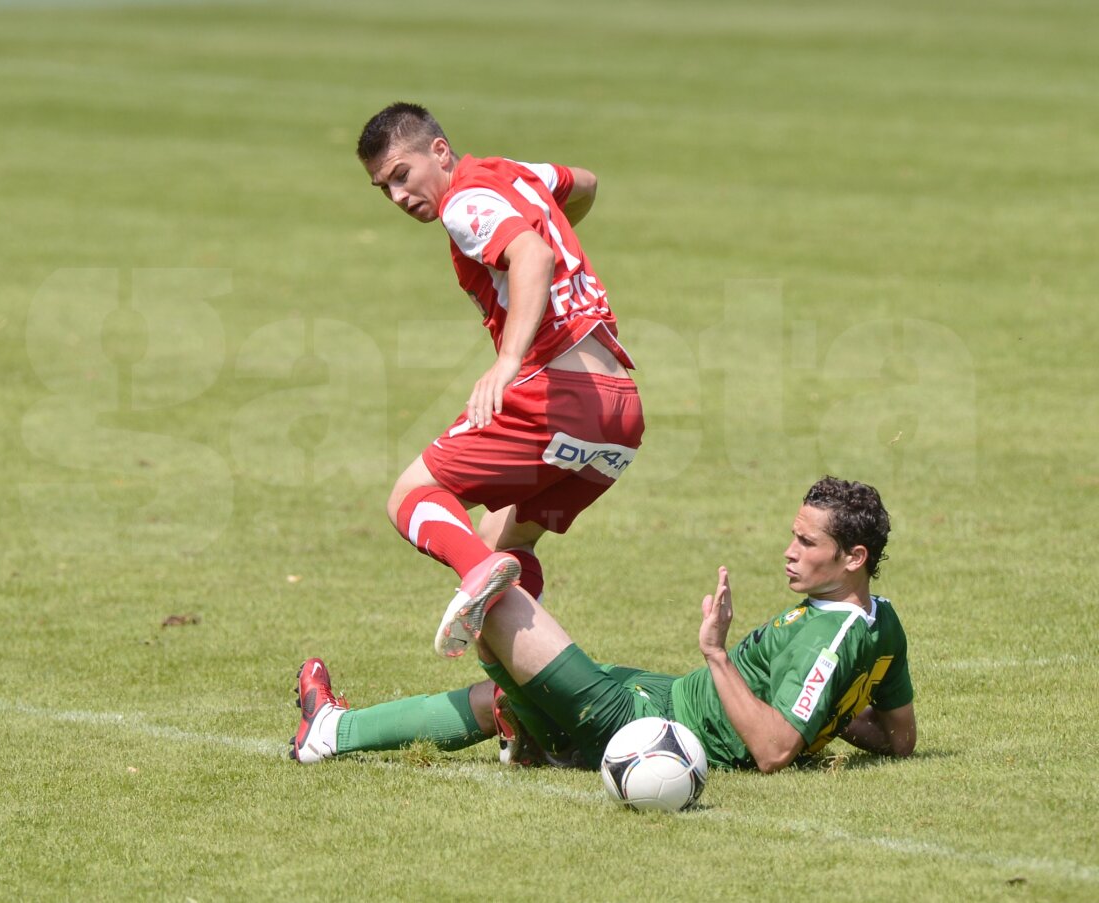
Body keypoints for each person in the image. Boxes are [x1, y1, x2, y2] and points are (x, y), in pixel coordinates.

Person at [291, 477, 917, 772]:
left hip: (643, 724)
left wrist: (716, 654)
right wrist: (825, 714)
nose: (788, 551)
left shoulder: (829, 635)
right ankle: (334, 732)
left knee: (496, 585)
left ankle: (541, 729)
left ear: (853, 558)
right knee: (500, 692)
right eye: (793, 536)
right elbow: (900, 739)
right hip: (660, 693)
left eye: (806, 543)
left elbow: (774, 750)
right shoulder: (881, 622)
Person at [355, 102, 643, 660]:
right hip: (620, 417)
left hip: (560, 397)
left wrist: (508, 361)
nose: (397, 197)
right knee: (501, 540)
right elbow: (585, 183)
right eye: (384, 188)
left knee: (411, 497)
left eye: (401, 175)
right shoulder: (515, 174)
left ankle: (477, 574)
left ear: (440, 151)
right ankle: (528, 700)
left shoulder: (462, 203)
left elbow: (531, 254)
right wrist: (554, 230)